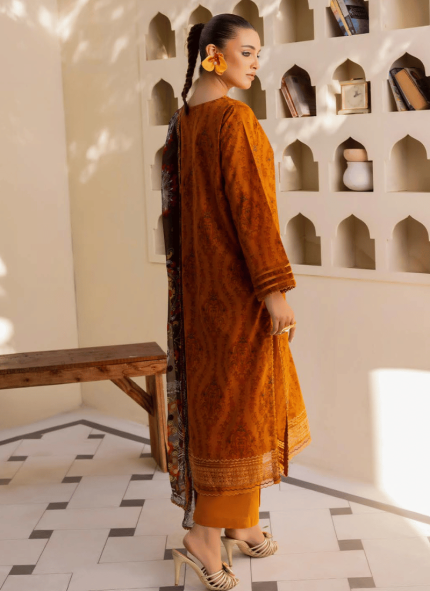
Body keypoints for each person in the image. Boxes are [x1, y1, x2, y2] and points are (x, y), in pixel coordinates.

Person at [161, 13, 312, 589]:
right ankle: (204, 537)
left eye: (257, 52)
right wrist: (274, 292)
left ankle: (240, 523)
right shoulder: (232, 118)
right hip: (239, 293)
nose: (255, 62)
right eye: (246, 52)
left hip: (198, 296)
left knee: (223, 407)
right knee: (238, 414)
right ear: (213, 56)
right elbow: (252, 213)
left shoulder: (183, 121)